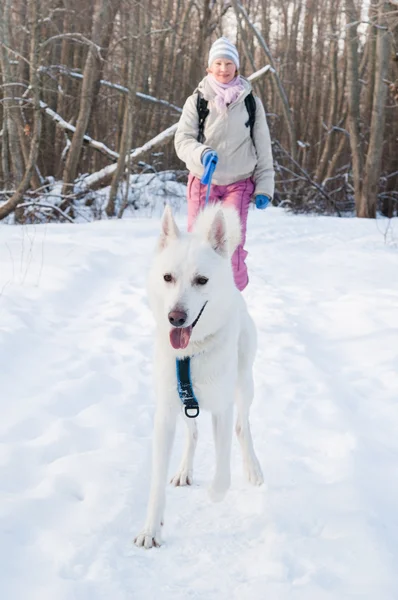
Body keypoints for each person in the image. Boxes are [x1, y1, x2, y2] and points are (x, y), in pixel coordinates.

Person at [174, 36, 275, 291]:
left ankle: (233, 295)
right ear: (209, 67)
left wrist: (264, 186)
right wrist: (202, 153)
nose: (223, 68)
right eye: (218, 63)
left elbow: (263, 146)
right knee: (198, 243)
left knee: (230, 243)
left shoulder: (251, 102)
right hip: (203, 180)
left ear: (236, 67)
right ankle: (192, 296)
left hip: (239, 183)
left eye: (228, 63)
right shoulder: (197, 100)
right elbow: (182, 140)